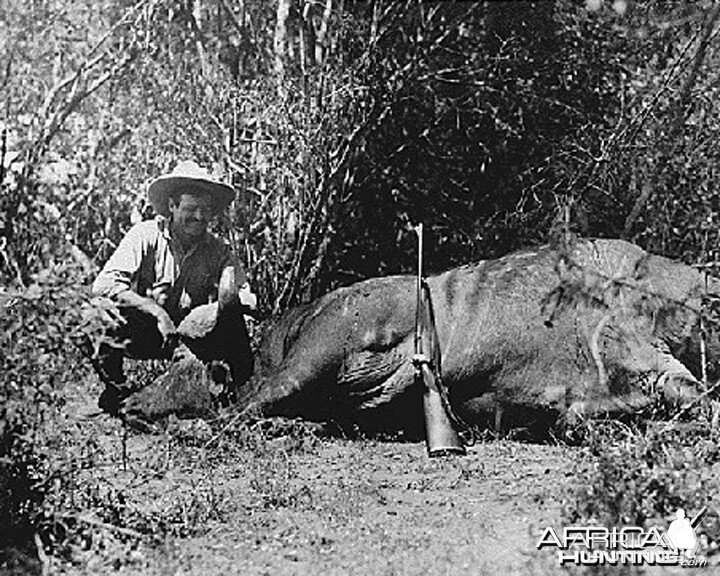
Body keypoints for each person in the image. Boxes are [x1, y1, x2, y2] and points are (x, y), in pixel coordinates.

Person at [86, 160, 256, 415]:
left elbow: (247, 297)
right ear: (172, 206)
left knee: (235, 326)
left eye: (206, 209)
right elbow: (104, 285)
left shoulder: (219, 250)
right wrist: (157, 312)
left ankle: (226, 392)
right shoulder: (144, 235)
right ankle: (116, 390)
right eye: (191, 208)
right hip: (147, 332)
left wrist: (211, 312)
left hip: (192, 341)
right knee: (95, 313)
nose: (199, 217)